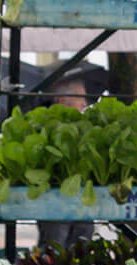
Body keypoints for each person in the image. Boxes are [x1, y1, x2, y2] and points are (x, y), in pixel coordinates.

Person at [35, 73, 97, 249]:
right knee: (54, 251)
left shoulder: (84, 129)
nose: (85, 104)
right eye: (80, 98)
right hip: (55, 208)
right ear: (62, 101)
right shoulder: (45, 128)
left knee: (82, 250)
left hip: (82, 206)